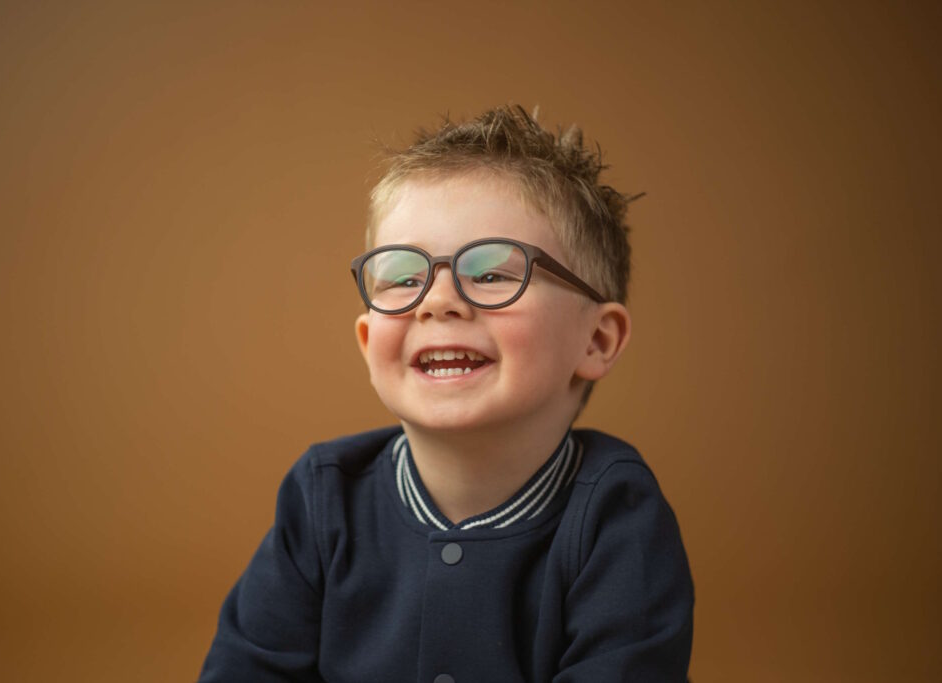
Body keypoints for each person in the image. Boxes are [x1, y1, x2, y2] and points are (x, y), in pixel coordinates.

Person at [198, 105, 694, 682]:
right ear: (367, 340)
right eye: (404, 278)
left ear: (597, 339)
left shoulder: (615, 515)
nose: (436, 300)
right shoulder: (323, 496)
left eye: (490, 273)